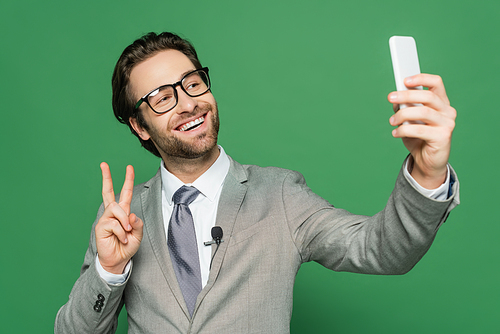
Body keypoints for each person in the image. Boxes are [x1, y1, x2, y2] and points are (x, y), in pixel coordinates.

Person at [55, 32, 459, 333]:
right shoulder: (120, 220)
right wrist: (109, 271)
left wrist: (426, 172)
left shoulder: (280, 194)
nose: (188, 102)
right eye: (162, 97)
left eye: (192, 82)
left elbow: (382, 250)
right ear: (140, 125)